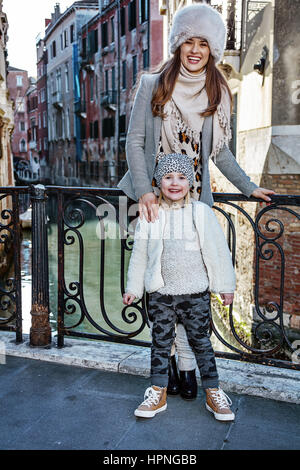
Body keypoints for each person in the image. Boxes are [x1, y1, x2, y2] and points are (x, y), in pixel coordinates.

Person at [118, 4, 276, 398]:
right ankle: (169, 364)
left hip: (194, 205)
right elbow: (134, 144)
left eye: (203, 43)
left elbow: (220, 152)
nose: (194, 49)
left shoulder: (218, 90)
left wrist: (246, 185)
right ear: (177, 44)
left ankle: (187, 367)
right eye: (188, 40)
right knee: (159, 287)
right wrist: (144, 192)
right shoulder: (153, 84)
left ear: (213, 49)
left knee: (191, 292)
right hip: (152, 199)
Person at [123, 153, 236, 421]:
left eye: (182, 177)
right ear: (157, 182)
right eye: (168, 177)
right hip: (161, 294)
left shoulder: (202, 213)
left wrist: (224, 286)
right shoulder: (151, 215)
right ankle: (157, 392)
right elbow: (139, 256)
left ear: (192, 182)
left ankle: (214, 393)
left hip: (195, 293)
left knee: (201, 344)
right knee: (160, 344)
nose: (175, 183)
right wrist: (133, 289)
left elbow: (218, 252)